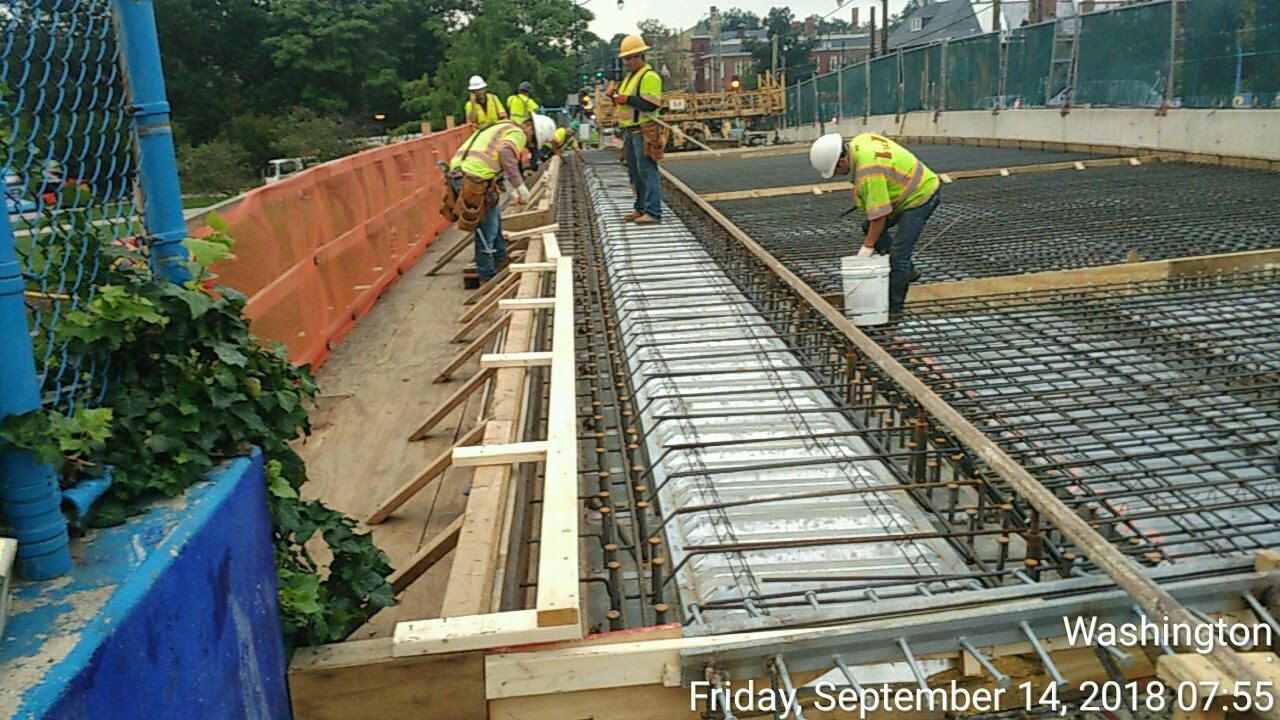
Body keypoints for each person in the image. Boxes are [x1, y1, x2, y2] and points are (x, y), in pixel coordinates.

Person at [809, 132, 940, 321]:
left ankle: (894, 313)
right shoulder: (859, 141)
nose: (836, 176)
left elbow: (879, 216)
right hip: (905, 190)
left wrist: (867, 248)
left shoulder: (869, 170)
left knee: (898, 256)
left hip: (921, 196)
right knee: (869, 229)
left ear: (842, 161)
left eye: (834, 171)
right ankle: (907, 272)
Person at [449, 114, 555, 281]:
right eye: (532, 141)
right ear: (529, 127)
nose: (528, 145)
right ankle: (488, 276)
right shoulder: (517, 133)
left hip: (467, 174)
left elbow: (492, 157)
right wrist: (520, 186)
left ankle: (500, 260)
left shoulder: (502, 127)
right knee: (487, 229)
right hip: (472, 177)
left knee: (494, 220)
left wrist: (507, 187)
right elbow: (505, 152)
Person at [608, 34, 663, 225]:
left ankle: (653, 212)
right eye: (626, 59)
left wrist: (627, 99)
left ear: (641, 56)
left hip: (644, 130)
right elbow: (624, 103)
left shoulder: (649, 77)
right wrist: (614, 97)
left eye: (632, 58)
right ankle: (641, 208)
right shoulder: (630, 78)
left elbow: (651, 105)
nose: (628, 62)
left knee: (647, 171)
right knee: (635, 172)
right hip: (630, 131)